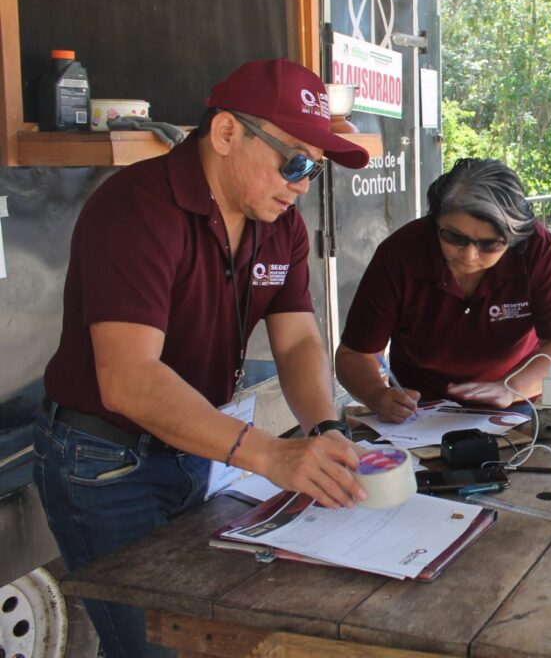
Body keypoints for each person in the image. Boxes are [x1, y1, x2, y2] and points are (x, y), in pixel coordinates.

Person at [34, 58, 373, 657]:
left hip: (198, 446)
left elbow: (296, 340)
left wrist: (325, 430)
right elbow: (129, 379)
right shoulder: (136, 209)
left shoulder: (282, 225)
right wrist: (271, 454)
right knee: (152, 646)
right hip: (105, 457)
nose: (301, 184)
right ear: (225, 134)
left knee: (209, 635)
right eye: (294, 162)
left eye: (314, 172)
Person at [335, 158, 551, 420]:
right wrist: (377, 395)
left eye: (489, 244)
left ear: (514, 238)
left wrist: (511, 388)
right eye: (453, 237)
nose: (469, 255)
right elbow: (354, 354)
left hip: (515, 406)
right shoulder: (400, 254)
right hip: (418, 413)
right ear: (436, 222)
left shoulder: (535, 249)